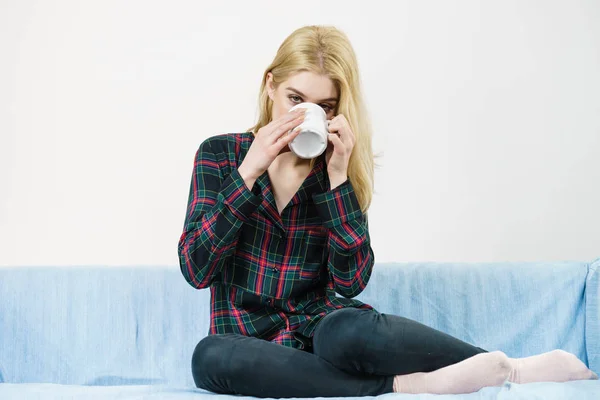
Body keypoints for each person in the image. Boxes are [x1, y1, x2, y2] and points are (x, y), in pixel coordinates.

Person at [177, 25, 598, 398]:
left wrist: (339, 181)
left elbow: (351, 281)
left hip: (323, 333)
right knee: (209, 357)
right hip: (250, 345)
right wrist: (249, 172)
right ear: (270, 85)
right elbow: (197, 270)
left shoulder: (335, 166)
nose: (305, 114)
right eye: (294, 98)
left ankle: (507, 368)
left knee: (345, 330)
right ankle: (403, 385)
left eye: (323, 107)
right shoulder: (220, 155)